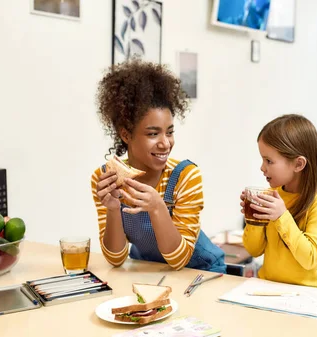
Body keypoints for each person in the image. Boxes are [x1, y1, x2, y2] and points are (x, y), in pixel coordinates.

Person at [91, 59, 225, 273]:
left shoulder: (185, 176)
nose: (165, 143)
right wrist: (113, 208)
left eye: (169, 132)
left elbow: (179, 260)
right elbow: (115, 259)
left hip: (201, 273)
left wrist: (157, 207)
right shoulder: (106, 178)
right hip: (150, 271)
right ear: (125, 134)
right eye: (153, 134)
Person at [240, 114, 317, 288]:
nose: (262, 168)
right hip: (269, 288)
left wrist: (281, 216)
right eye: (262, 159)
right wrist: (253, 217)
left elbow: (310, 258)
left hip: (308, 293)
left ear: (298, 164)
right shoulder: (272, 194)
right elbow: (254, 250)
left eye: (269, 161)